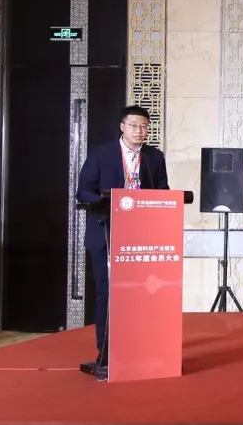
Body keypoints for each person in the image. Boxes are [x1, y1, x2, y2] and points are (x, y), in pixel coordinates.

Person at [76, 105, 169, 365]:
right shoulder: (101, 154)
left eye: (144, 126)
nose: (139, 131)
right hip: (106, 231)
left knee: (141, 292)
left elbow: (163, 190)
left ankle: (140, 346)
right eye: (133, 126)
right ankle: (106, 351)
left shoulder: (154, 157)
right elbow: (83, 192)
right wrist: (111, 201)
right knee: (106, 291)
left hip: (140, 235)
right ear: (122, 127)